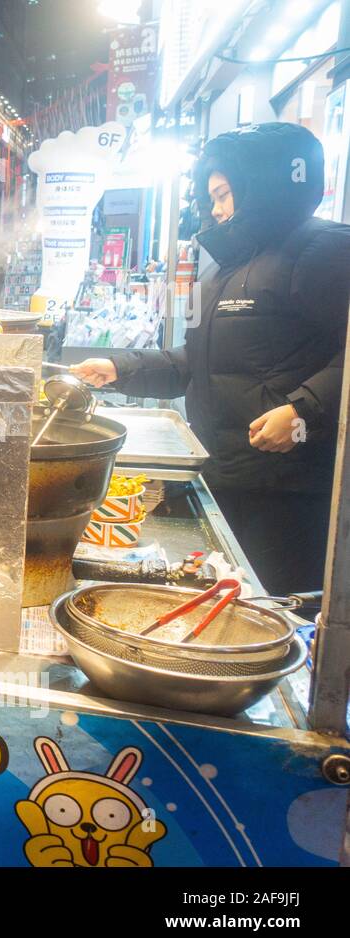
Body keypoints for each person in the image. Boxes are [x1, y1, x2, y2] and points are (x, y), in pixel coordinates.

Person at [73, 122, 350, 595]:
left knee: (278, 602)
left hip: (288, 489)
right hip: (227, 472)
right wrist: (122, 368)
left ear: (261, 186)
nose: (218, 210)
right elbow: (194, 361)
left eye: (225, 195)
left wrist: (303, 411)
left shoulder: (324, 248)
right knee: (233, 596)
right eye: (212, 198)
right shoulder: (225, 267)